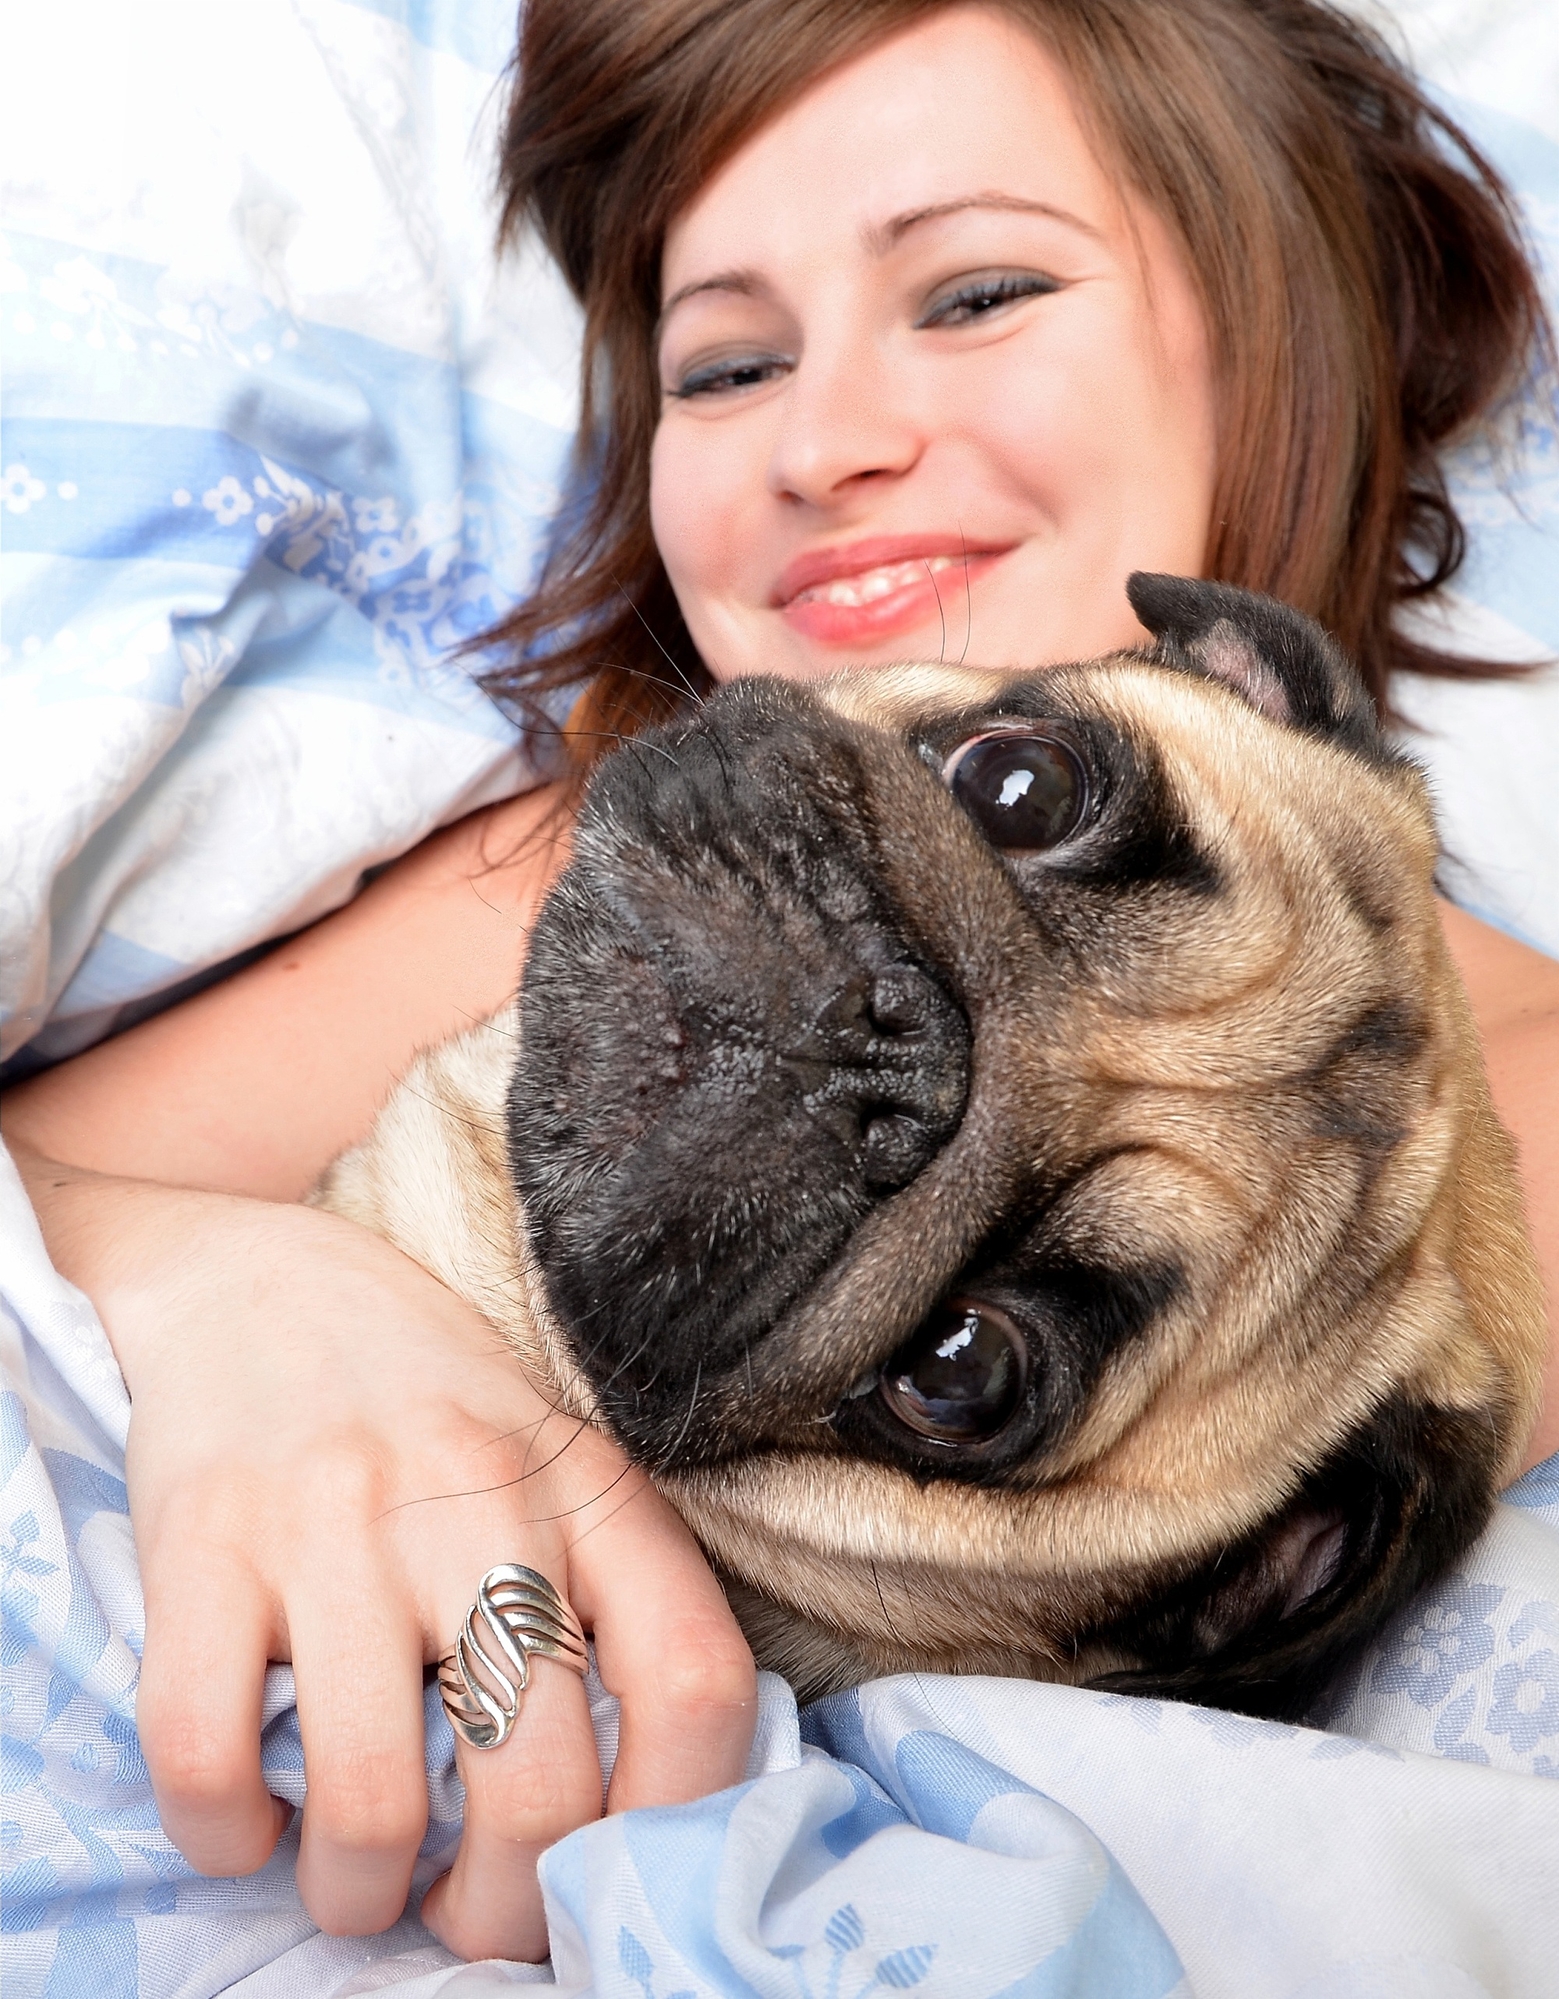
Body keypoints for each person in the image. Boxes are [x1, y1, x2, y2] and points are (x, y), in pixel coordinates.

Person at [5, 0, 1558, 1971]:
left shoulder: (1485, 1187)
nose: (825, 442)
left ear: (1285, 330)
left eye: (979, 291)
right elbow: (46, 1185)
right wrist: (256, 1292)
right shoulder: (603, 874)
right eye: (726, 362)